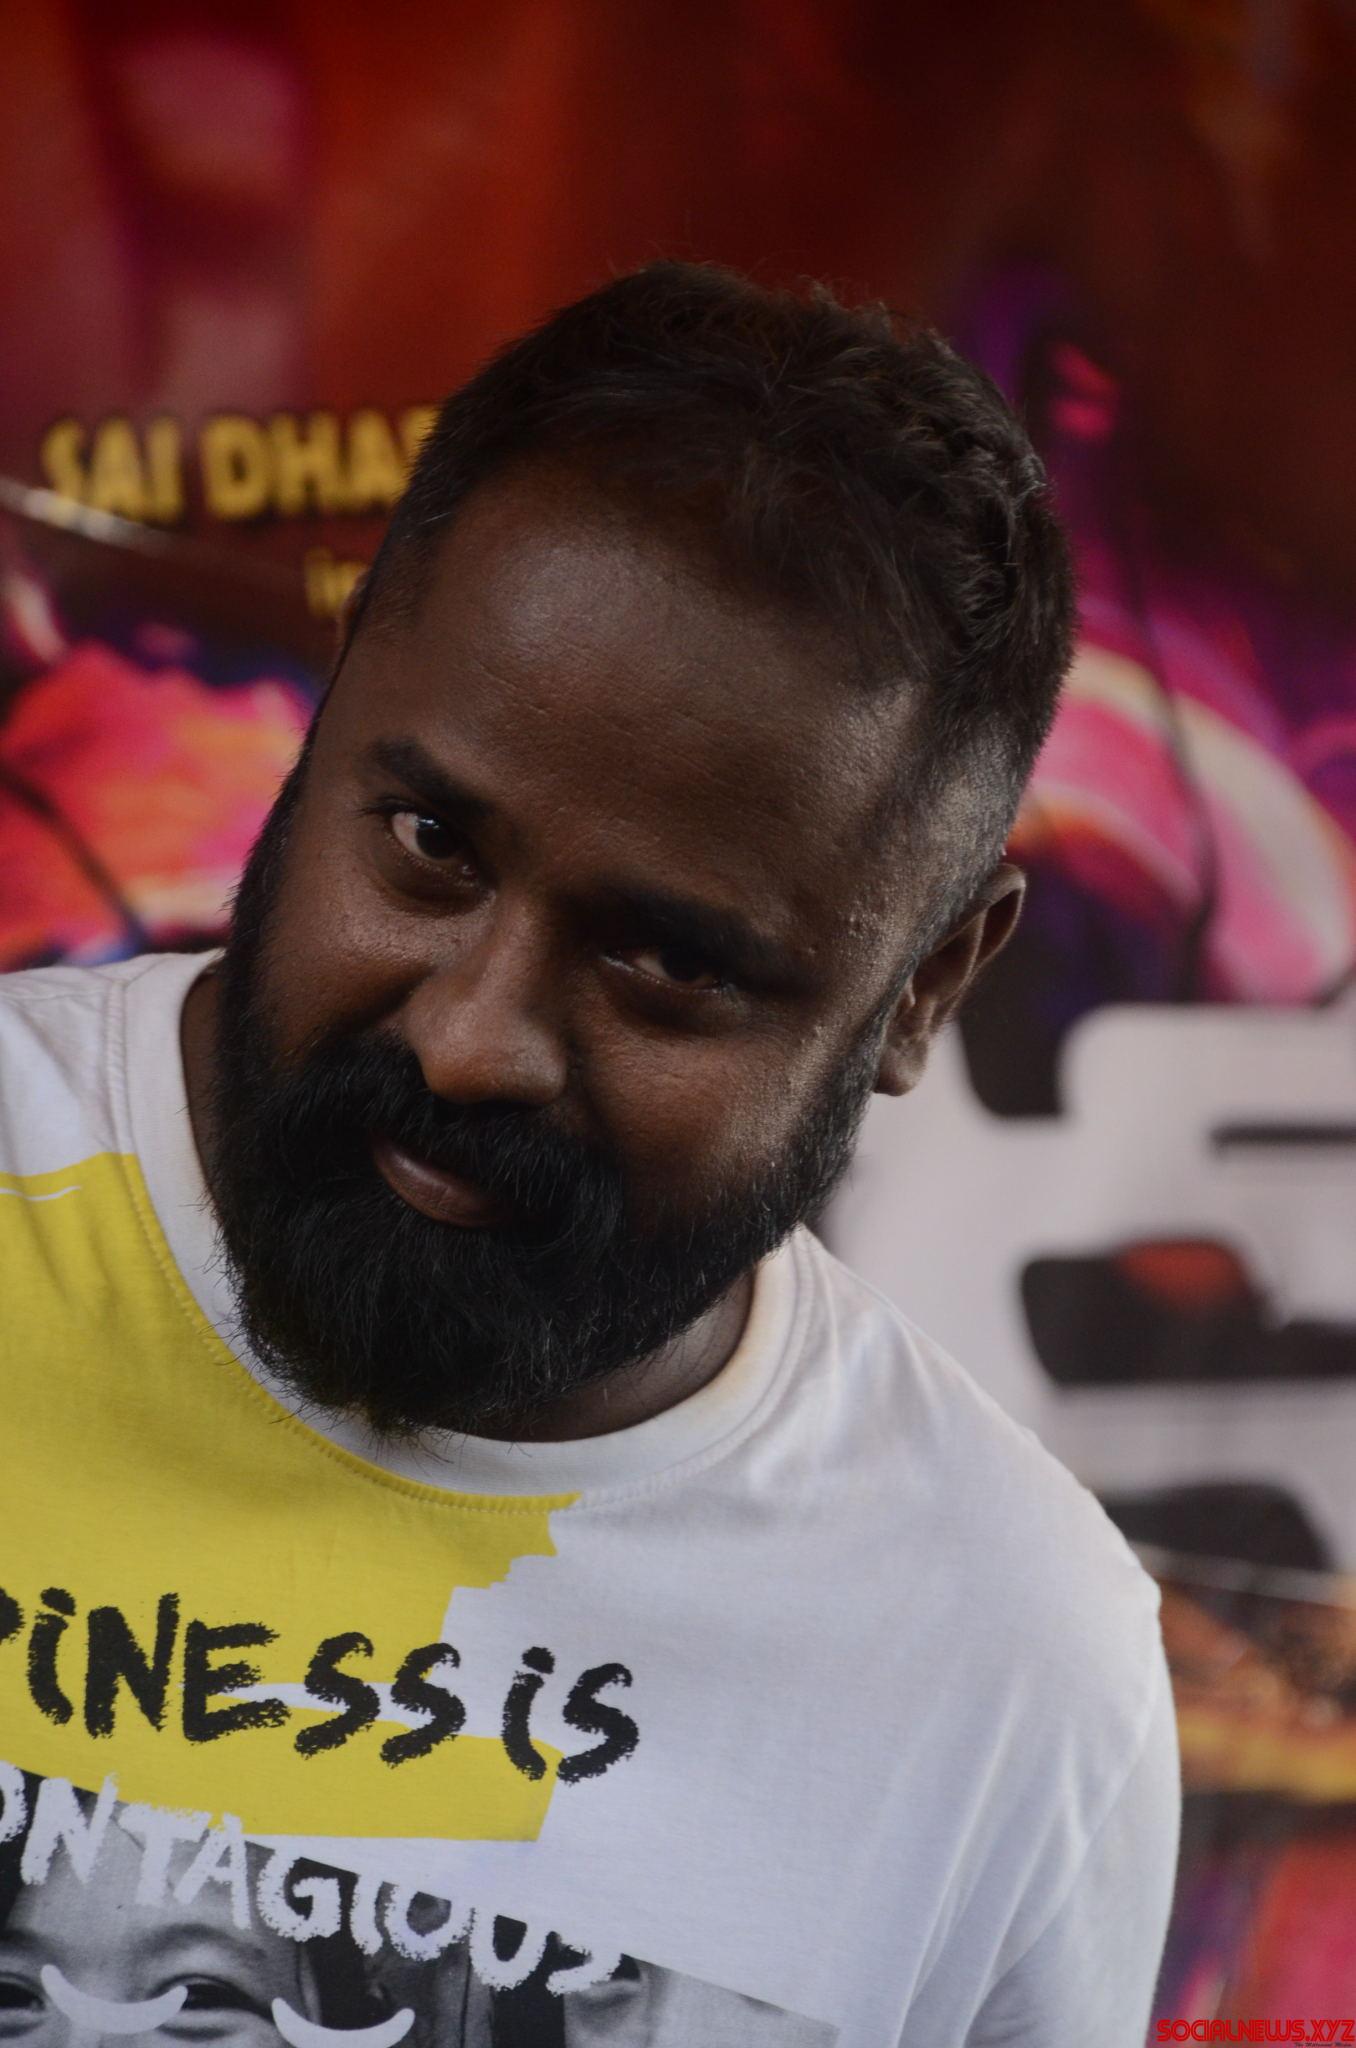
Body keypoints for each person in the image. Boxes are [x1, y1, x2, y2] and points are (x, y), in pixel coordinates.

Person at [0, 261, 1179, 2044]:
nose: (471, 1040)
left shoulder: (1008, 1677)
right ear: (335, 689)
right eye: (428, 844)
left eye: (668, 965)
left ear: (930, 985)